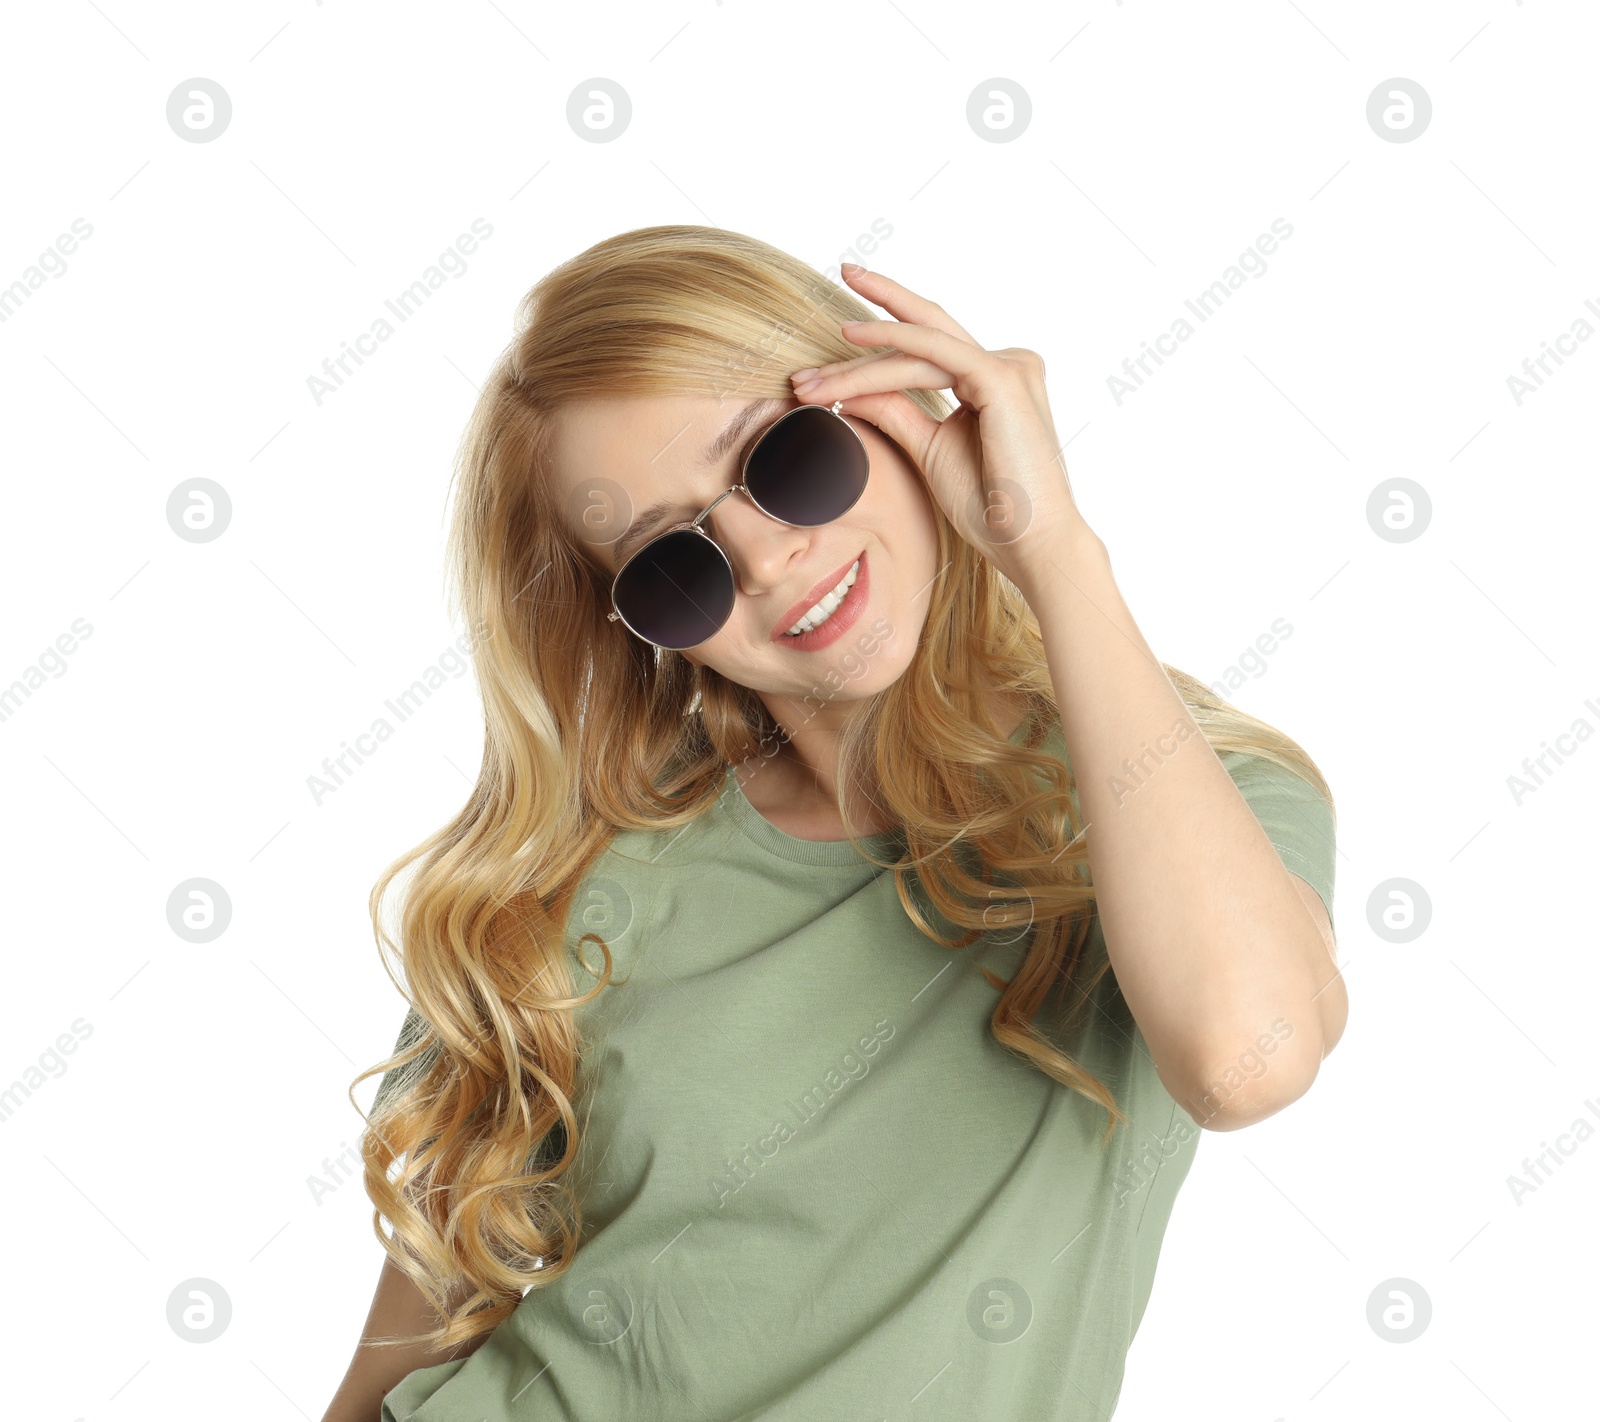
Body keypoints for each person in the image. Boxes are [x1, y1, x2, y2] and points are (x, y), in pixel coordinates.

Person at [321, 225, 1344, 1422]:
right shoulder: (577, 879)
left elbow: (1245, 1063)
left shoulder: (1190, 804)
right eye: (670, 560)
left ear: (903, 409)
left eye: (786, 458)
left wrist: (1053, 552)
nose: (759, 560)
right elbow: (422, 1320)